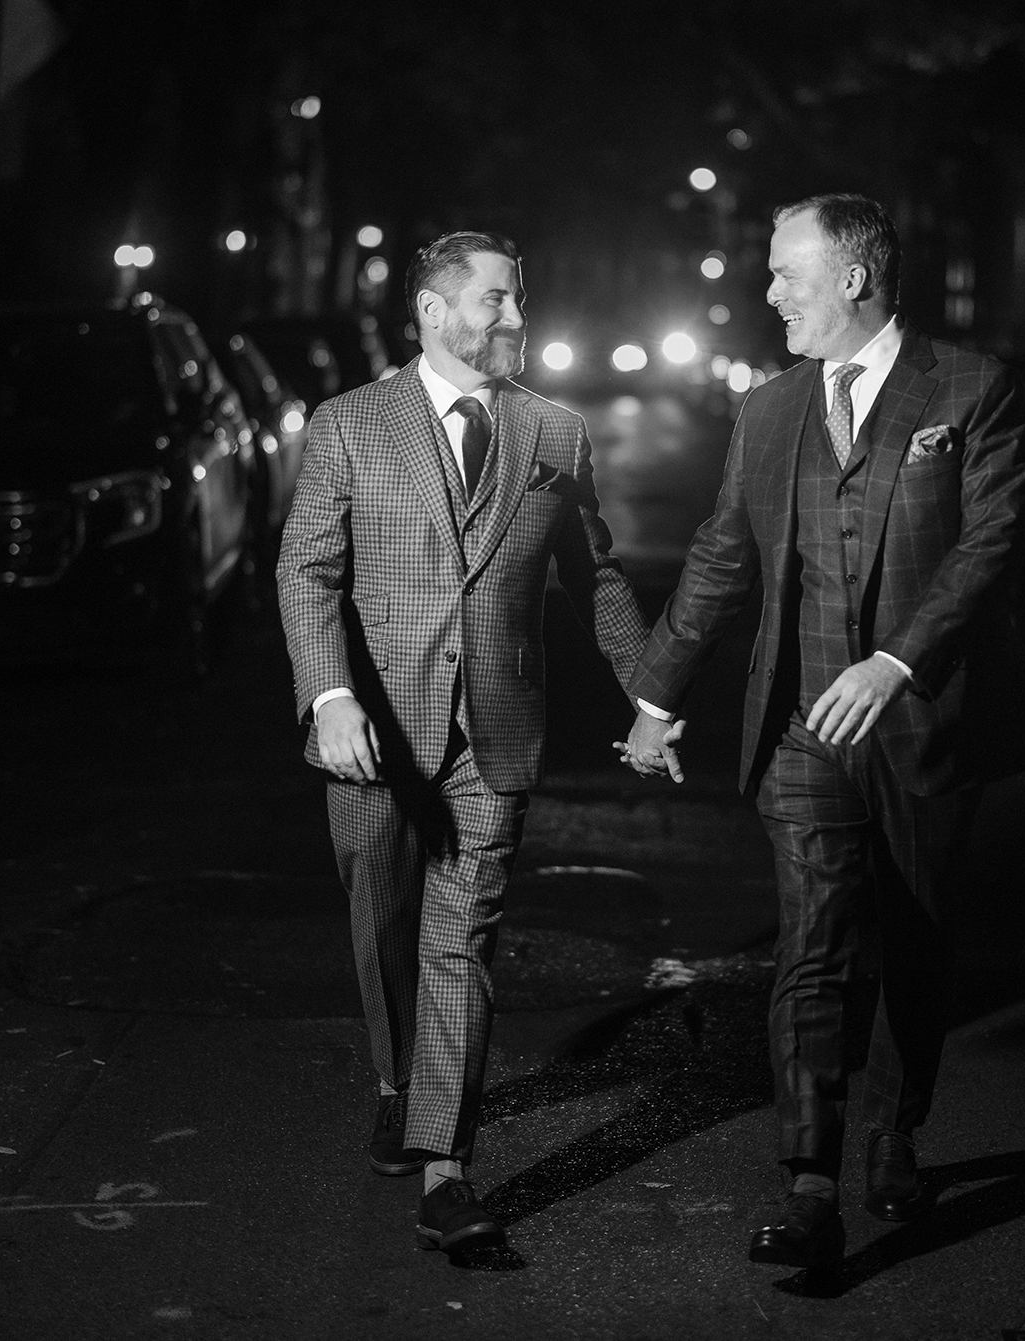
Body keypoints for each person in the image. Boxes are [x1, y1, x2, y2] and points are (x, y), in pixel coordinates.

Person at [621, 193, 1025, 1269]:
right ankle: (808, 1181)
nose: (768, 293)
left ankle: (891, 1135)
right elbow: (722, 557)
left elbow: (989, 548)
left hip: (926, 724)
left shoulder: (972, 388)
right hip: (803, 730)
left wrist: (898, 663)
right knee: (810, 945)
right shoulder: (768, 411)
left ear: (853, 278)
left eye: (785, 273)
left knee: (914, 939)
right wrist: (656, 697)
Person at [278, 231, 648, 1257]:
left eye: (519, 300)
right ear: (434, 313)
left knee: (461, 938)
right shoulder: (350, 425)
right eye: (494, 301)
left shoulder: (555, 433)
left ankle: (447, 1167)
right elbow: (305, 572)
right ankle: (399, 1082)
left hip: (496, 732)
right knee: (380, 919)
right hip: (375, 735)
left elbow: (598, 578)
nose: (515, 320)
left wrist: (652, 692)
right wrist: (329, 696)